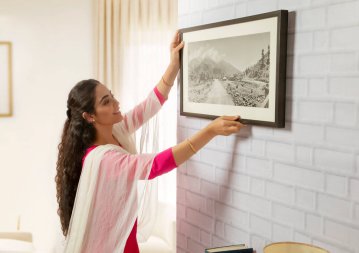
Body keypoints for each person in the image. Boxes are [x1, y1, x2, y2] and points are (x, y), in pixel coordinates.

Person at [55, 31, 245, 253]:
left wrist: (174, 64)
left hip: (124, 234)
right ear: (90, 116)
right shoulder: (103, 159)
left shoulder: (117, 129)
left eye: (112, 95)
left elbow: (150, 105)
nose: (116, 103)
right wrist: (210, 131)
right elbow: (156, 165)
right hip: (110, 245)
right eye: (106, 102)